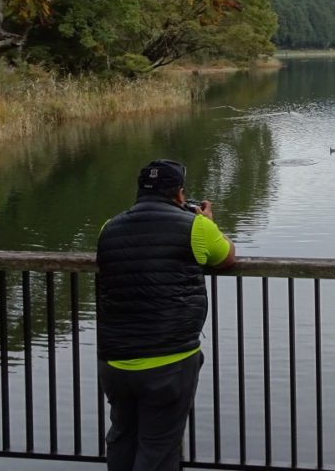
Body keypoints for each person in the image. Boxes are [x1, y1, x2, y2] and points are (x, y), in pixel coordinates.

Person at [96, 159, 236, 471]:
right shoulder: (195, 226)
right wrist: (211, 223)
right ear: (180, 194)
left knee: (121, 438)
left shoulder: (109, 227)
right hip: (168, 360)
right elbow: (226, 256)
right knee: (158, 450)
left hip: (115, 360)